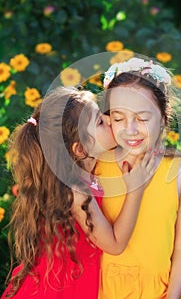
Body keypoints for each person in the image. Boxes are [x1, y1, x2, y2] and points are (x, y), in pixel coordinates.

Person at [2, 86, 157, 299]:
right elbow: (114, 244)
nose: (109, 120)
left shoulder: (78, 171)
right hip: (60, 290)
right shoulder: (76, 189)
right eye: (100, 122)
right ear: (81, 149)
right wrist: (136, 189)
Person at [96, 57, 181, 299]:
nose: (130, 129)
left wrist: (172, 296)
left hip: (158, 291)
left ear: (164, 117)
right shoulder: (99, 165)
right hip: (101, 289)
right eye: (119, 118)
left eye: (142, 118)